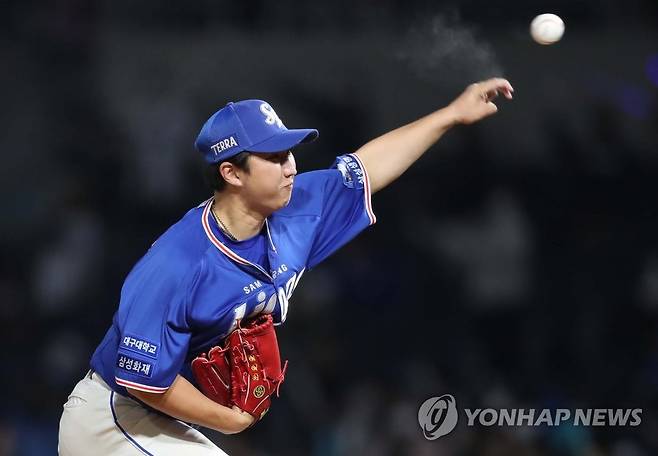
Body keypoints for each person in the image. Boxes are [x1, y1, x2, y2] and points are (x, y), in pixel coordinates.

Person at [58, 78, 514, 455]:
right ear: (232, 174)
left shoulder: (298, 210)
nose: (291, 166)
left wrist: (450, 115)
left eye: (290, 152)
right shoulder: (178, 263)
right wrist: (230, 421)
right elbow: (141, 379)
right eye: (274, 157)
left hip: (159, 421)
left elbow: (365, 169)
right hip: (112, 418)